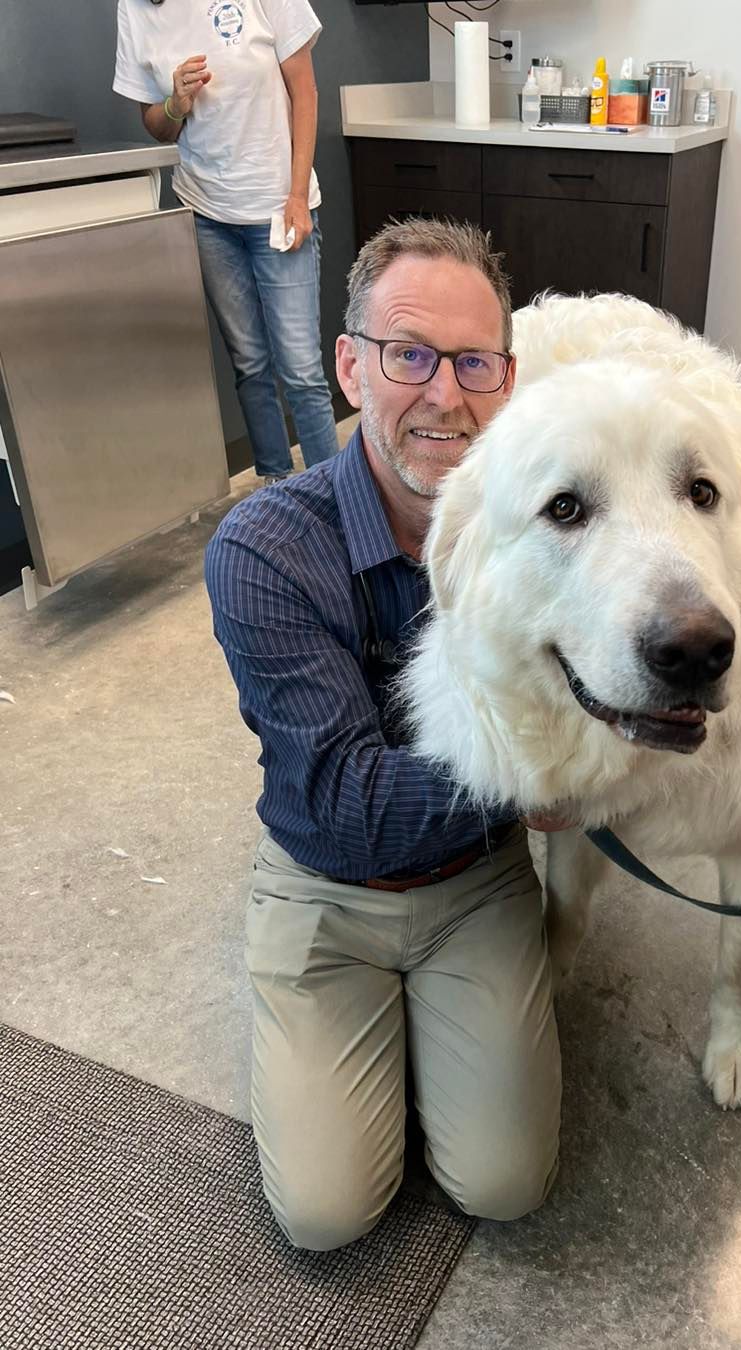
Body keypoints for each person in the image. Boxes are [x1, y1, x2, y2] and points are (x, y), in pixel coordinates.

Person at [204, 218, 566, 1250]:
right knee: (325, 1214)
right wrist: (540, 771)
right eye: (409, 354)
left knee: (505, 1186)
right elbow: (349, 811)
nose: (445, 395)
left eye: (474, 362)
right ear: (351, 365)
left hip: (473, 883)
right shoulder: (266, 548)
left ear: (508, 378)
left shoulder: (541, 528)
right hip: (326, 882)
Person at [113, 0, 340, 483]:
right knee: (250, 365)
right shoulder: (133, 8)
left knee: (301, 372)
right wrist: (175, 103)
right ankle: (276, 489)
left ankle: (335, 499)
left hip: (278, 208)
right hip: (207, 212)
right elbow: (156, 125)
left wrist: (297, 194)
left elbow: (306, 92)